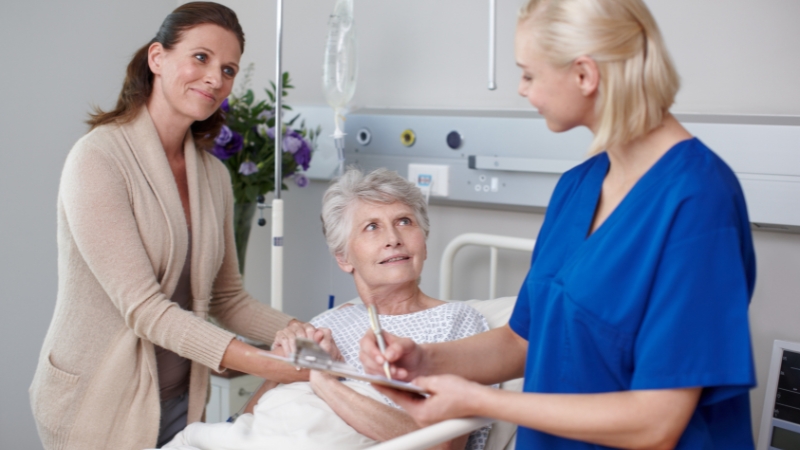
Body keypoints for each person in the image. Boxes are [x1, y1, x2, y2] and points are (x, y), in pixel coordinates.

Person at [360, 0, 757, 449]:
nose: (523, 90)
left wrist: (480, 402)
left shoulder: (698, 200)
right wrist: (424, 360)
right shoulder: (578, 187)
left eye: (529, 74)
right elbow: (524, 341)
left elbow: (657, 422)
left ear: (585, 75)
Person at [29, 3, 310, 449]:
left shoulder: (213, 175)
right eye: (200, 57)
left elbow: (228, 297)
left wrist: (304, 333)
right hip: (96, 404)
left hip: (181, 400)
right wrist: (270, 365)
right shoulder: (98, 159)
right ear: (157, 59)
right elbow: (145, 309)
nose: (216, 78)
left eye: (228, 69)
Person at [161, 168, 491, 450]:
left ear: (424, 240)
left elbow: (441, 445)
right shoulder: (326, 324)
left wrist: (325, 381)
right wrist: (286, 358)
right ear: (343, 257)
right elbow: (252, 418)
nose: (393, 238)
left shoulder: (458, 323)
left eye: (404, 221)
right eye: (371, 227)